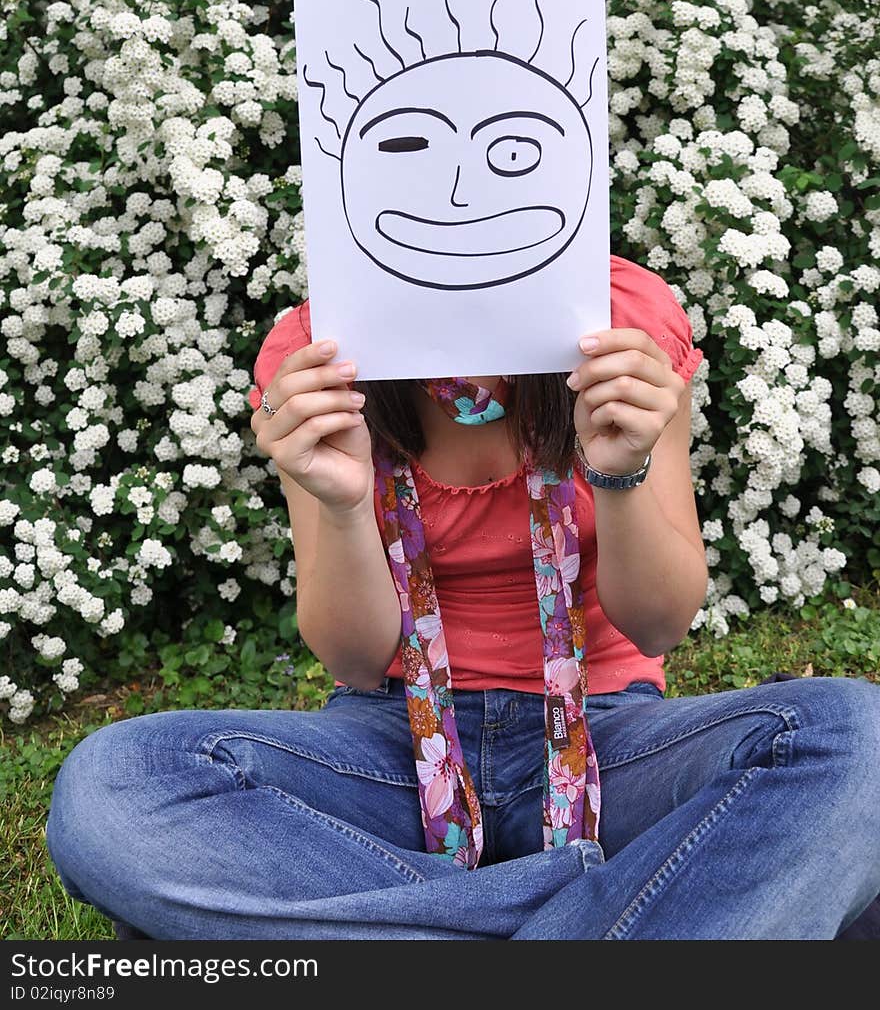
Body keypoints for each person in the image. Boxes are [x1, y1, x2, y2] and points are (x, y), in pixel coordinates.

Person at [45, 254, 880, 939]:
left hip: (609, 730)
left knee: (854, 740)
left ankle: (394, 931)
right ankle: (598, 914)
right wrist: (341, 502)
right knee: (115, 785)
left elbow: (659, 619)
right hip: (394, 739)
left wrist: (621, 472)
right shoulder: (317, 351)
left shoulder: (627, 319)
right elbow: (355, 656)